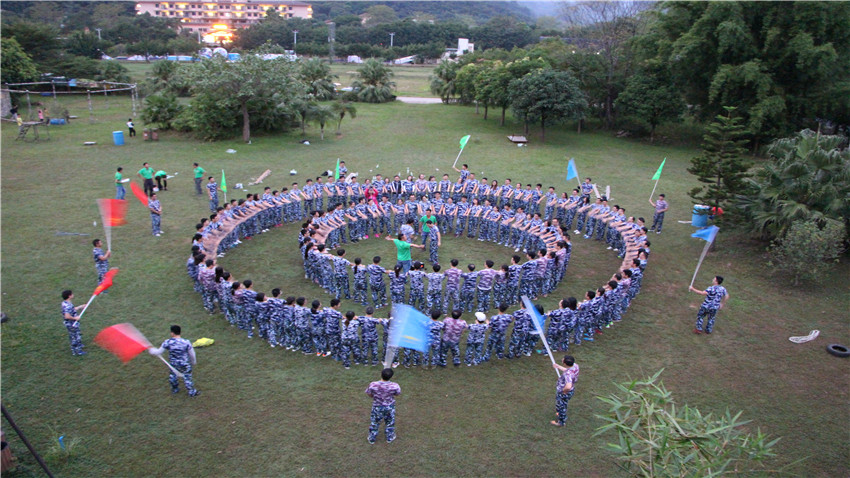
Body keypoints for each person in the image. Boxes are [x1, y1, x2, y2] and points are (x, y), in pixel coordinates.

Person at [148, 325, 200, 397]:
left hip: (173, 364)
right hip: (184, 364)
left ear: (172, 333)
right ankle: (191, 392)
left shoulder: (168, 342)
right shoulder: (186, 342)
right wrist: (193, 361)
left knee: (173, 376)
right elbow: (192, 354)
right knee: (187, 377)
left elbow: (158, 352)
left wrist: (152, 350)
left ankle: (175, 389)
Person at [365, 368, 401, 444]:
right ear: (391, 376)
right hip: (389, 407)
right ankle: (390, 437)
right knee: (390, 422)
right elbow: (397, 394)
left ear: (381, 374)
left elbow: (369, 393)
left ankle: (372, 438)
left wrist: (375, 396)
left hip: (377, 407)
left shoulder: (373, 384)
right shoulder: (395, 386)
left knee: (375, 422)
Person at [551, 355, 579, 426]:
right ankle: (560, 413)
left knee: (562, 406)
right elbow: (568, 370)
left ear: (565, 363)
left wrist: (564, 391)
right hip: (571, 390)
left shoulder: (568, 374)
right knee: (562, 403)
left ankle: (561, 422)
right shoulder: (575, 366)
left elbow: (568, 386)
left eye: (563, 360)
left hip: (565, 392)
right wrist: (559, 367)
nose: (562, 359)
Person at [61, 290, 88, 356]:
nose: (73, 294)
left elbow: (72, 309)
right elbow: (67, 316)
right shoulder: (67, 305)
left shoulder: (65, 303)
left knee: (76, 334)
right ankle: (77, 351)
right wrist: (75, 318)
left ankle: (79, 345)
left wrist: (80, 307)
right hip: (72, 324)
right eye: (72, 294)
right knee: (75, 337)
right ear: (69, 296)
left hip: (72, 323)